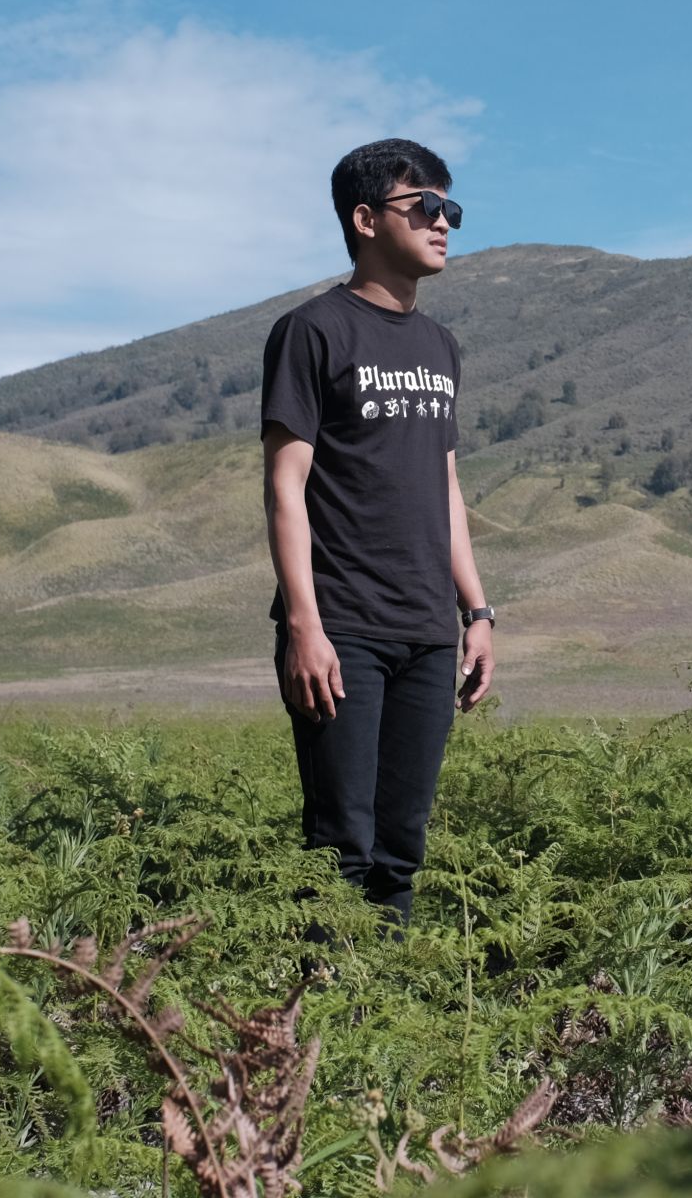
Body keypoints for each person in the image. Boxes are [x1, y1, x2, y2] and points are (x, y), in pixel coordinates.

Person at [260, 139, 497, 928]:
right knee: (340, 847)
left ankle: (387, 996)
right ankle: (318, 994)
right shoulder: (312, 332)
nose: (442, 222)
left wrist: (477, 611)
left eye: (449, 207)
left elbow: (445, 487)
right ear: (365, 220)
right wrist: (305, 627)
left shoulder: (440, 347)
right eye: (423, 205)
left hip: (427, 631)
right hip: (343, 628)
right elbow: (285, 486)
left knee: (401, 850)